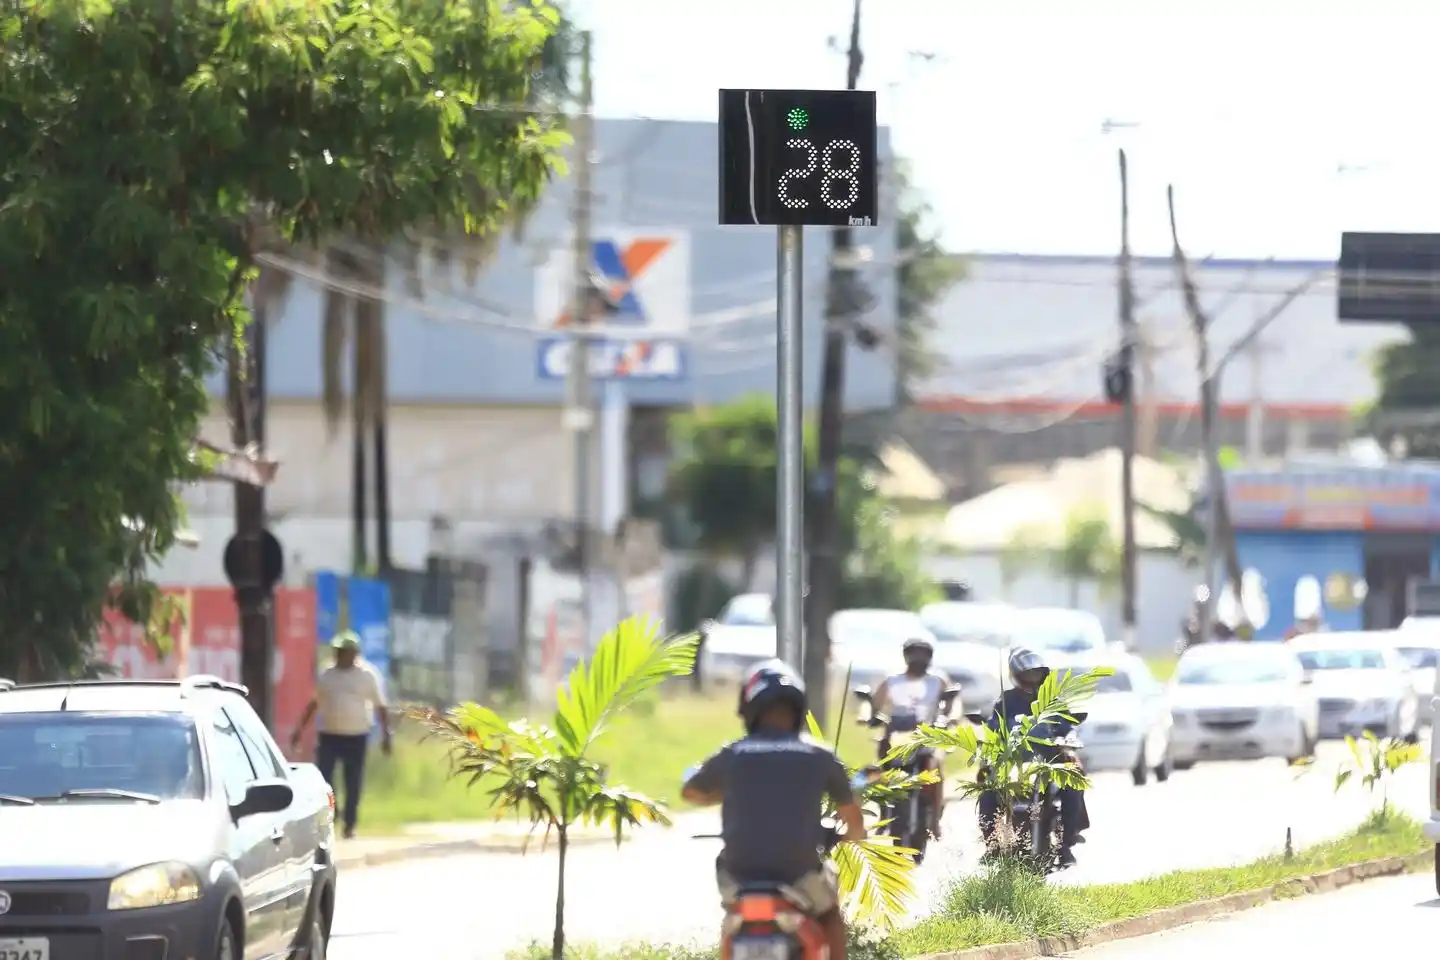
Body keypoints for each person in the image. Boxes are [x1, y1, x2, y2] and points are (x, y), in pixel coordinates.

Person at [682, 660, 865, 960]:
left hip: (738, 877)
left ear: (750, 709)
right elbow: (852, 818)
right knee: (831, 914)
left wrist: (722, 793)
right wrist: (854, 835)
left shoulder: (733, 754)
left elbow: (691, 791)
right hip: (801, 877)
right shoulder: (820, 756)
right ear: (797, 710)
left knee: (732, 921)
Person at [976, 647, 1090, 866]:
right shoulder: (1005, 701)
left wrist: (1067, 745)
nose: (1031, 679)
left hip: (1049, 761)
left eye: (1035, 673)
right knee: (986, 784)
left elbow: (1066, 728)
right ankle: (991, 843)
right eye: (1027, 674)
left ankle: (1067, 841)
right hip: (1013, 762)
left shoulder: (1052, 700)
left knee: (1074, 778)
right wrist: (988, 748)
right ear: (1016, 675)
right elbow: (993, 728)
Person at [291, 630, 391, 839]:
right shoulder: (327, 674)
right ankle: (331, 815)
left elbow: (380, 706)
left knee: (353, 781)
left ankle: (350, 824)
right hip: (330, 735)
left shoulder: (367, 675)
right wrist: (300, 729)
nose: (338, 654)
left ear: (354, 653)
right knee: (325, 778)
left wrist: (386, 734)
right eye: (337, 651)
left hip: (356, 736)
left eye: (343, 651)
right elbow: (314, 703)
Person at [867, 636, 952, 838]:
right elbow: (874, 704)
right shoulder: (892, 680)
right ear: (906, 656)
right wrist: (872, 717)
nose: (918, 659)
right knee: (878, 770)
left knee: (936, 767)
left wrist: (948, 718)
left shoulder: (937, 681)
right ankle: (882, 813)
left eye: (923, 654)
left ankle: (934, 820)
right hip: (896, 735)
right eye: (914, 654)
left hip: (926, 735)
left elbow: (952, 704)